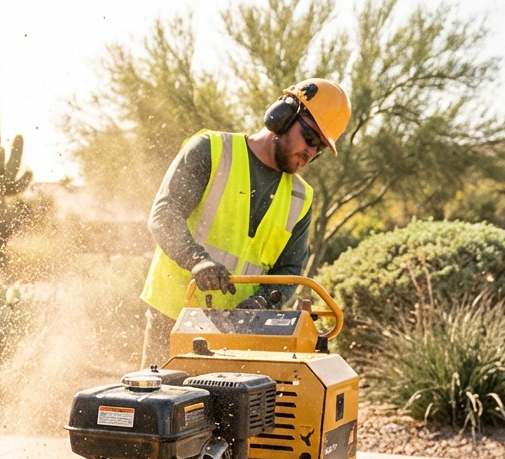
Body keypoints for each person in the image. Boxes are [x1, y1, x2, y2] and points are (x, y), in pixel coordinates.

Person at [139, 78, 351, 367]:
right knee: (159, 395)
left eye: (321, 148)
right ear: (282, 117)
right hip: (174, 316)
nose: (311, 152)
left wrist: (263, 302)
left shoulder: (301, 198)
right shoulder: (211, 150)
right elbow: (165, 213)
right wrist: (197, 260)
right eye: (311, 138)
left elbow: (289, 270)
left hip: (239, 334)